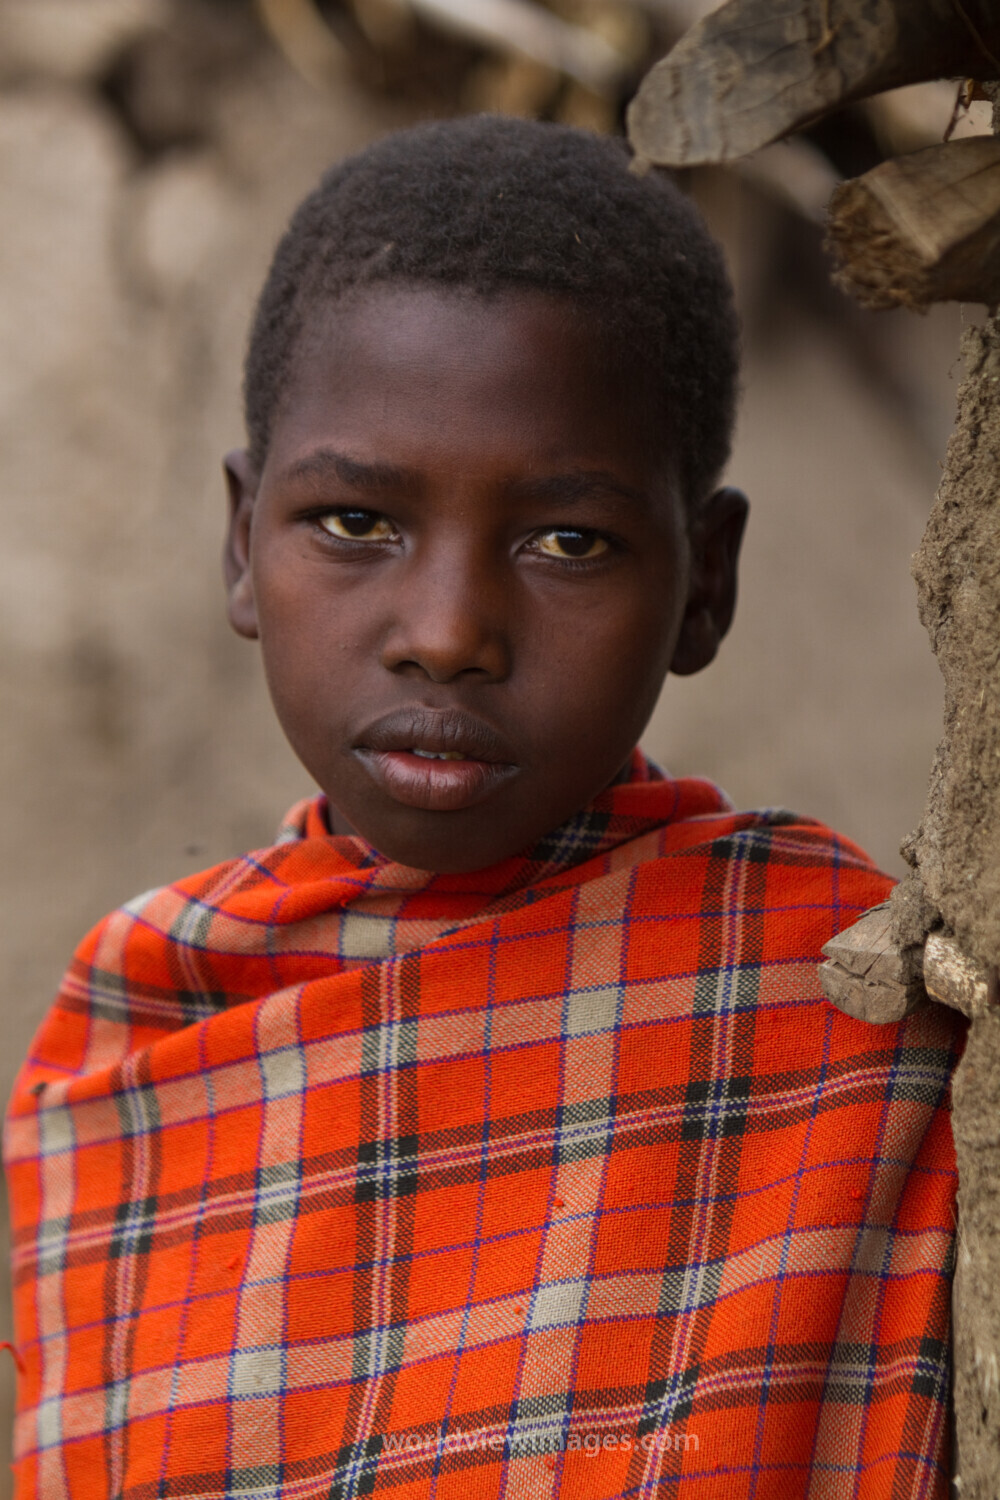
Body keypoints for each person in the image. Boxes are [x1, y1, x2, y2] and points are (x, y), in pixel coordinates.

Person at [5, 116, 961, 1499]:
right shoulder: (145, 1032)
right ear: (239, 543)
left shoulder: (843, 1001)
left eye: (568, 541)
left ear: (705, 583)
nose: (448, 633)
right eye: (355, 523)